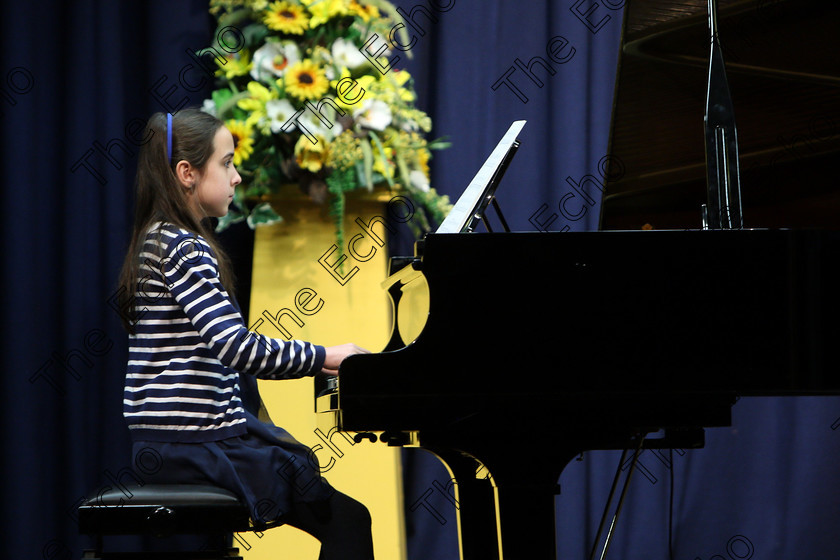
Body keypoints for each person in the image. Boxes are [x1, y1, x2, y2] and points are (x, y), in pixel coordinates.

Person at [116, 107, 374, 559]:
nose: (237, 177)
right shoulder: (184, 246)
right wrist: (327, 355)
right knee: (350, 518)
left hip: (167, 441)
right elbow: (237, 347)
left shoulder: (156, 238)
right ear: (187, 173)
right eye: (227, 162)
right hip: (194, 445)